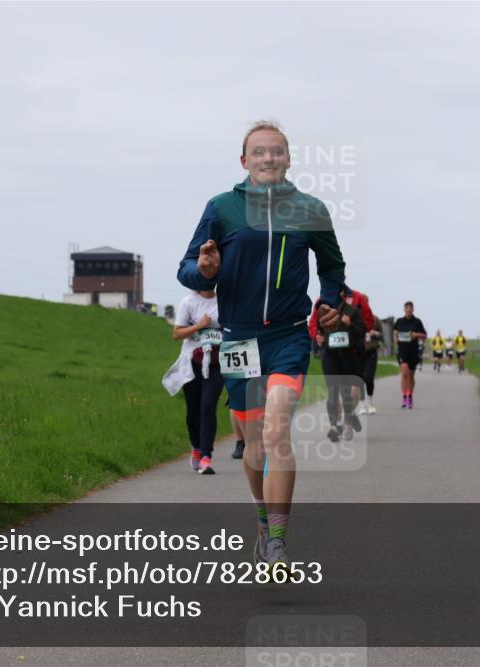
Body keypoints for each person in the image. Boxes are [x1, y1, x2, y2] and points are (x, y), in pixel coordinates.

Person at [177, 119, 346, 570]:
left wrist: (329, 301)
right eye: (259, 152)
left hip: (288, 336)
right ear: (244, 161)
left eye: (276, 151)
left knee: (276, 432)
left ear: (288, 159)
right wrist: (207, 271)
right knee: (252, 442)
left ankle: (277, 542)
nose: (268, 158)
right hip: (238, 339)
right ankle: (260, 519)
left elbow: (333, 268)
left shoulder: (310, 209)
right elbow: (188, 269)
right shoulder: (222, 208)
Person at [162, 289, 223, 474]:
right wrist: (200, 325)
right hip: (192, 362)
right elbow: (177, 333)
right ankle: (196, 447)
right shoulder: (189, 302)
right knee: (193, 411)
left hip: (217, 362)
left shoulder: (224, 300)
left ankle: (206, 456)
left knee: (208, 406)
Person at [310, 285, 366, 442]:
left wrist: (350, 325)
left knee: (346, 392)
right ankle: (334, 425)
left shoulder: (352, 311)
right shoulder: (323, 310)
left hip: (347, 356)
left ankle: (350, 415)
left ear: (343, 293)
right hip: (330, 356)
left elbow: (362, 331)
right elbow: (314, 326)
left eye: (337, 291)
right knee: (333, 391)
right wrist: (317, 336)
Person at [392, 301, 427, 408]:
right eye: (407, 308)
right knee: (404, 373)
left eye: (410, 308)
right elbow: (394, 331)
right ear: (404, 310)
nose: (408, 310)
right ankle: (404, 397)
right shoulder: (399, 321)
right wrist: (395, 338)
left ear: (413, 309)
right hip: (402, 350)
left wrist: (416, 335)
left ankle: (410, 395)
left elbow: (424, 335)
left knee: (411, 375)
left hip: (413, 351)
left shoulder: (417, 322)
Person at [358, 315, 383, 414]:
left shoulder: (375, 319)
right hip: (358, 352)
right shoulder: (353, 318)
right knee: (359, 379)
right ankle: (362, 405)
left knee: (369, 378)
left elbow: (381, 335)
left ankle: (370, 403)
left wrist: (375, 333)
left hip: (371, 351)